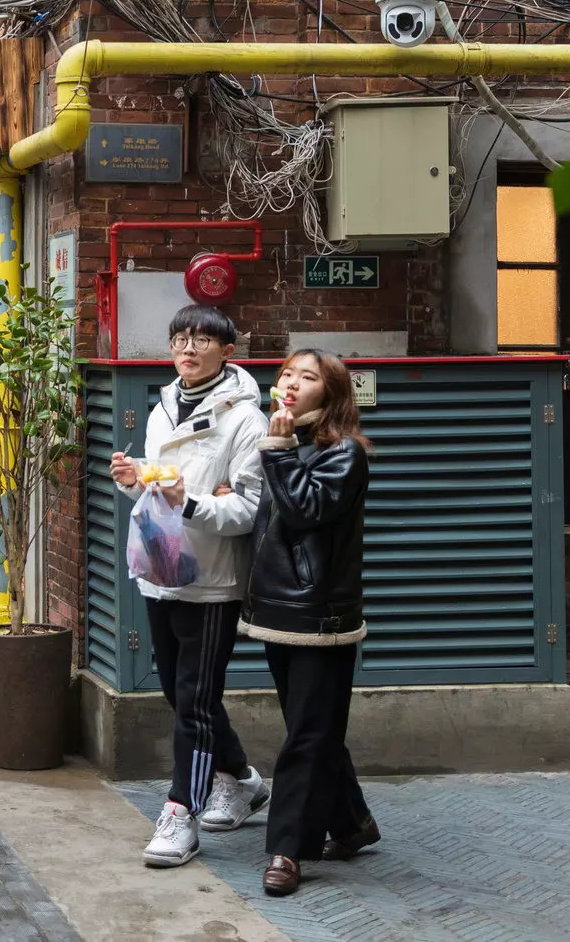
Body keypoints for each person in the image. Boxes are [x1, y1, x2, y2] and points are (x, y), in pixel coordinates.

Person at [107, 304, 269, 869]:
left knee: (194, 703)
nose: (189, 348)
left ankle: (182, 812)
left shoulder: (247, 419)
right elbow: (161, 490)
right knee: (182, 695)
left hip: (212, 580)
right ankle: (242, 780)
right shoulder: (163, 406)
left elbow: (248, 507)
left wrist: (195, 501)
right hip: (162, 567)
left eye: (203, 339)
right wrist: (136, 482)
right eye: (180, 338)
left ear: (228, 350)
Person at [245, 349, 379, 897]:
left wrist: (276, 450)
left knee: (306, 734)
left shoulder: (343, 453)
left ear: (331, 394)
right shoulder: (289, 440)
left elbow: (305, 512)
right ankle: (352, 824)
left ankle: (287, 849)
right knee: (316, 727)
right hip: (279, 609)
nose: (292, 383)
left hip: (320, 616)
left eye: (308, 377)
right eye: (287, 373)